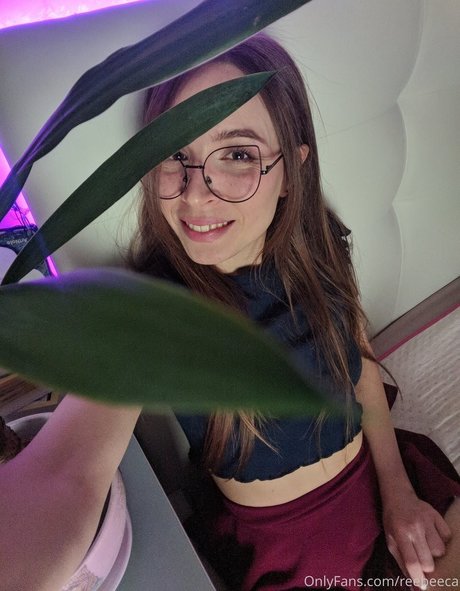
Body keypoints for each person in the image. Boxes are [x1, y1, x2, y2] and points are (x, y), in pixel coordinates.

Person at [128, 33, 460, 591]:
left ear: (292, 171)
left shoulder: (318, 246)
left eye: (238, 154)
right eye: (173, 154)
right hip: (288, 556)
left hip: (384, 479)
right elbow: (76, 465)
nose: (195, 195)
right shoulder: (158, 308)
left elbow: (360, 362)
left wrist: (399, 491)